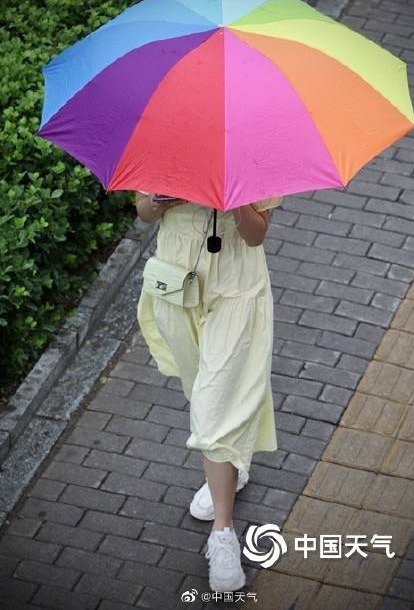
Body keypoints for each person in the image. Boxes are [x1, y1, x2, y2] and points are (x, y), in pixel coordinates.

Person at [134, 191, 282, 592]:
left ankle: (223, 533)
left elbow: (256, 236)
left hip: (236, 290)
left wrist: (234, 200)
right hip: (175, 283)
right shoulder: (162, 141)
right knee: (201, 392)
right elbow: (143, 213)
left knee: (215, 406)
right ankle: (231, 467)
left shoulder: (256, 146)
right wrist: (161, 200)